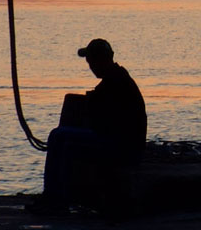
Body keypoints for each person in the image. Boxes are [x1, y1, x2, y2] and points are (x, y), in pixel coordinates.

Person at [42, 38, 147, 205]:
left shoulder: (115, 82)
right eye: (89, 61)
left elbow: (103, 119)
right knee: (60, 137)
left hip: (121, 146)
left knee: (59, 137)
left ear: (103, 60)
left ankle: (54, 197)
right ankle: (55, 194)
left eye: (92, 60)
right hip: (118, 140)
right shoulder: (116, 78)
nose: (90, 65)